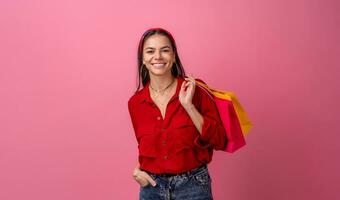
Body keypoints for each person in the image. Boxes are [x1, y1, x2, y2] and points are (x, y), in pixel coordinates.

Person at [128, 27, 227, 200]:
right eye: (150, 51)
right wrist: (138, 169)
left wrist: (188, 106)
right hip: (152, 188)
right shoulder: (135, 103)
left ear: (173, 56)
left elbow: (219, 140)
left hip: (193, 186)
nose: (157, 57)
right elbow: (148, 145)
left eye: (165, 50)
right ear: (143, 59)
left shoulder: (195, 90)